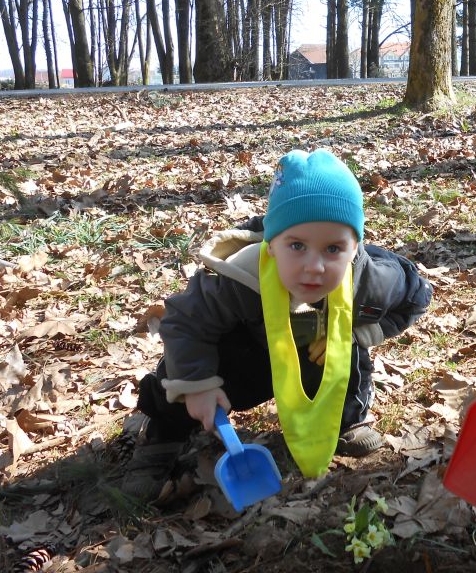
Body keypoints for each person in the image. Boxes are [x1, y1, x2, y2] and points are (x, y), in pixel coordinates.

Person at [124, 148, 432, 501]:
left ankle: (344, 418)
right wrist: (196, 386)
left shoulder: (370, 279)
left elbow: (417, 296)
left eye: (333, 249)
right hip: (245, 358)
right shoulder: (241, 276)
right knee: (183, 370)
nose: (314, 266)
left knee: (343, 347)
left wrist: (358, 330)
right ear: (272, 246)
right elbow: (184, 322)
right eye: (297, 245)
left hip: (309, 355)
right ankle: (165, 429)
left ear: (354, 249)